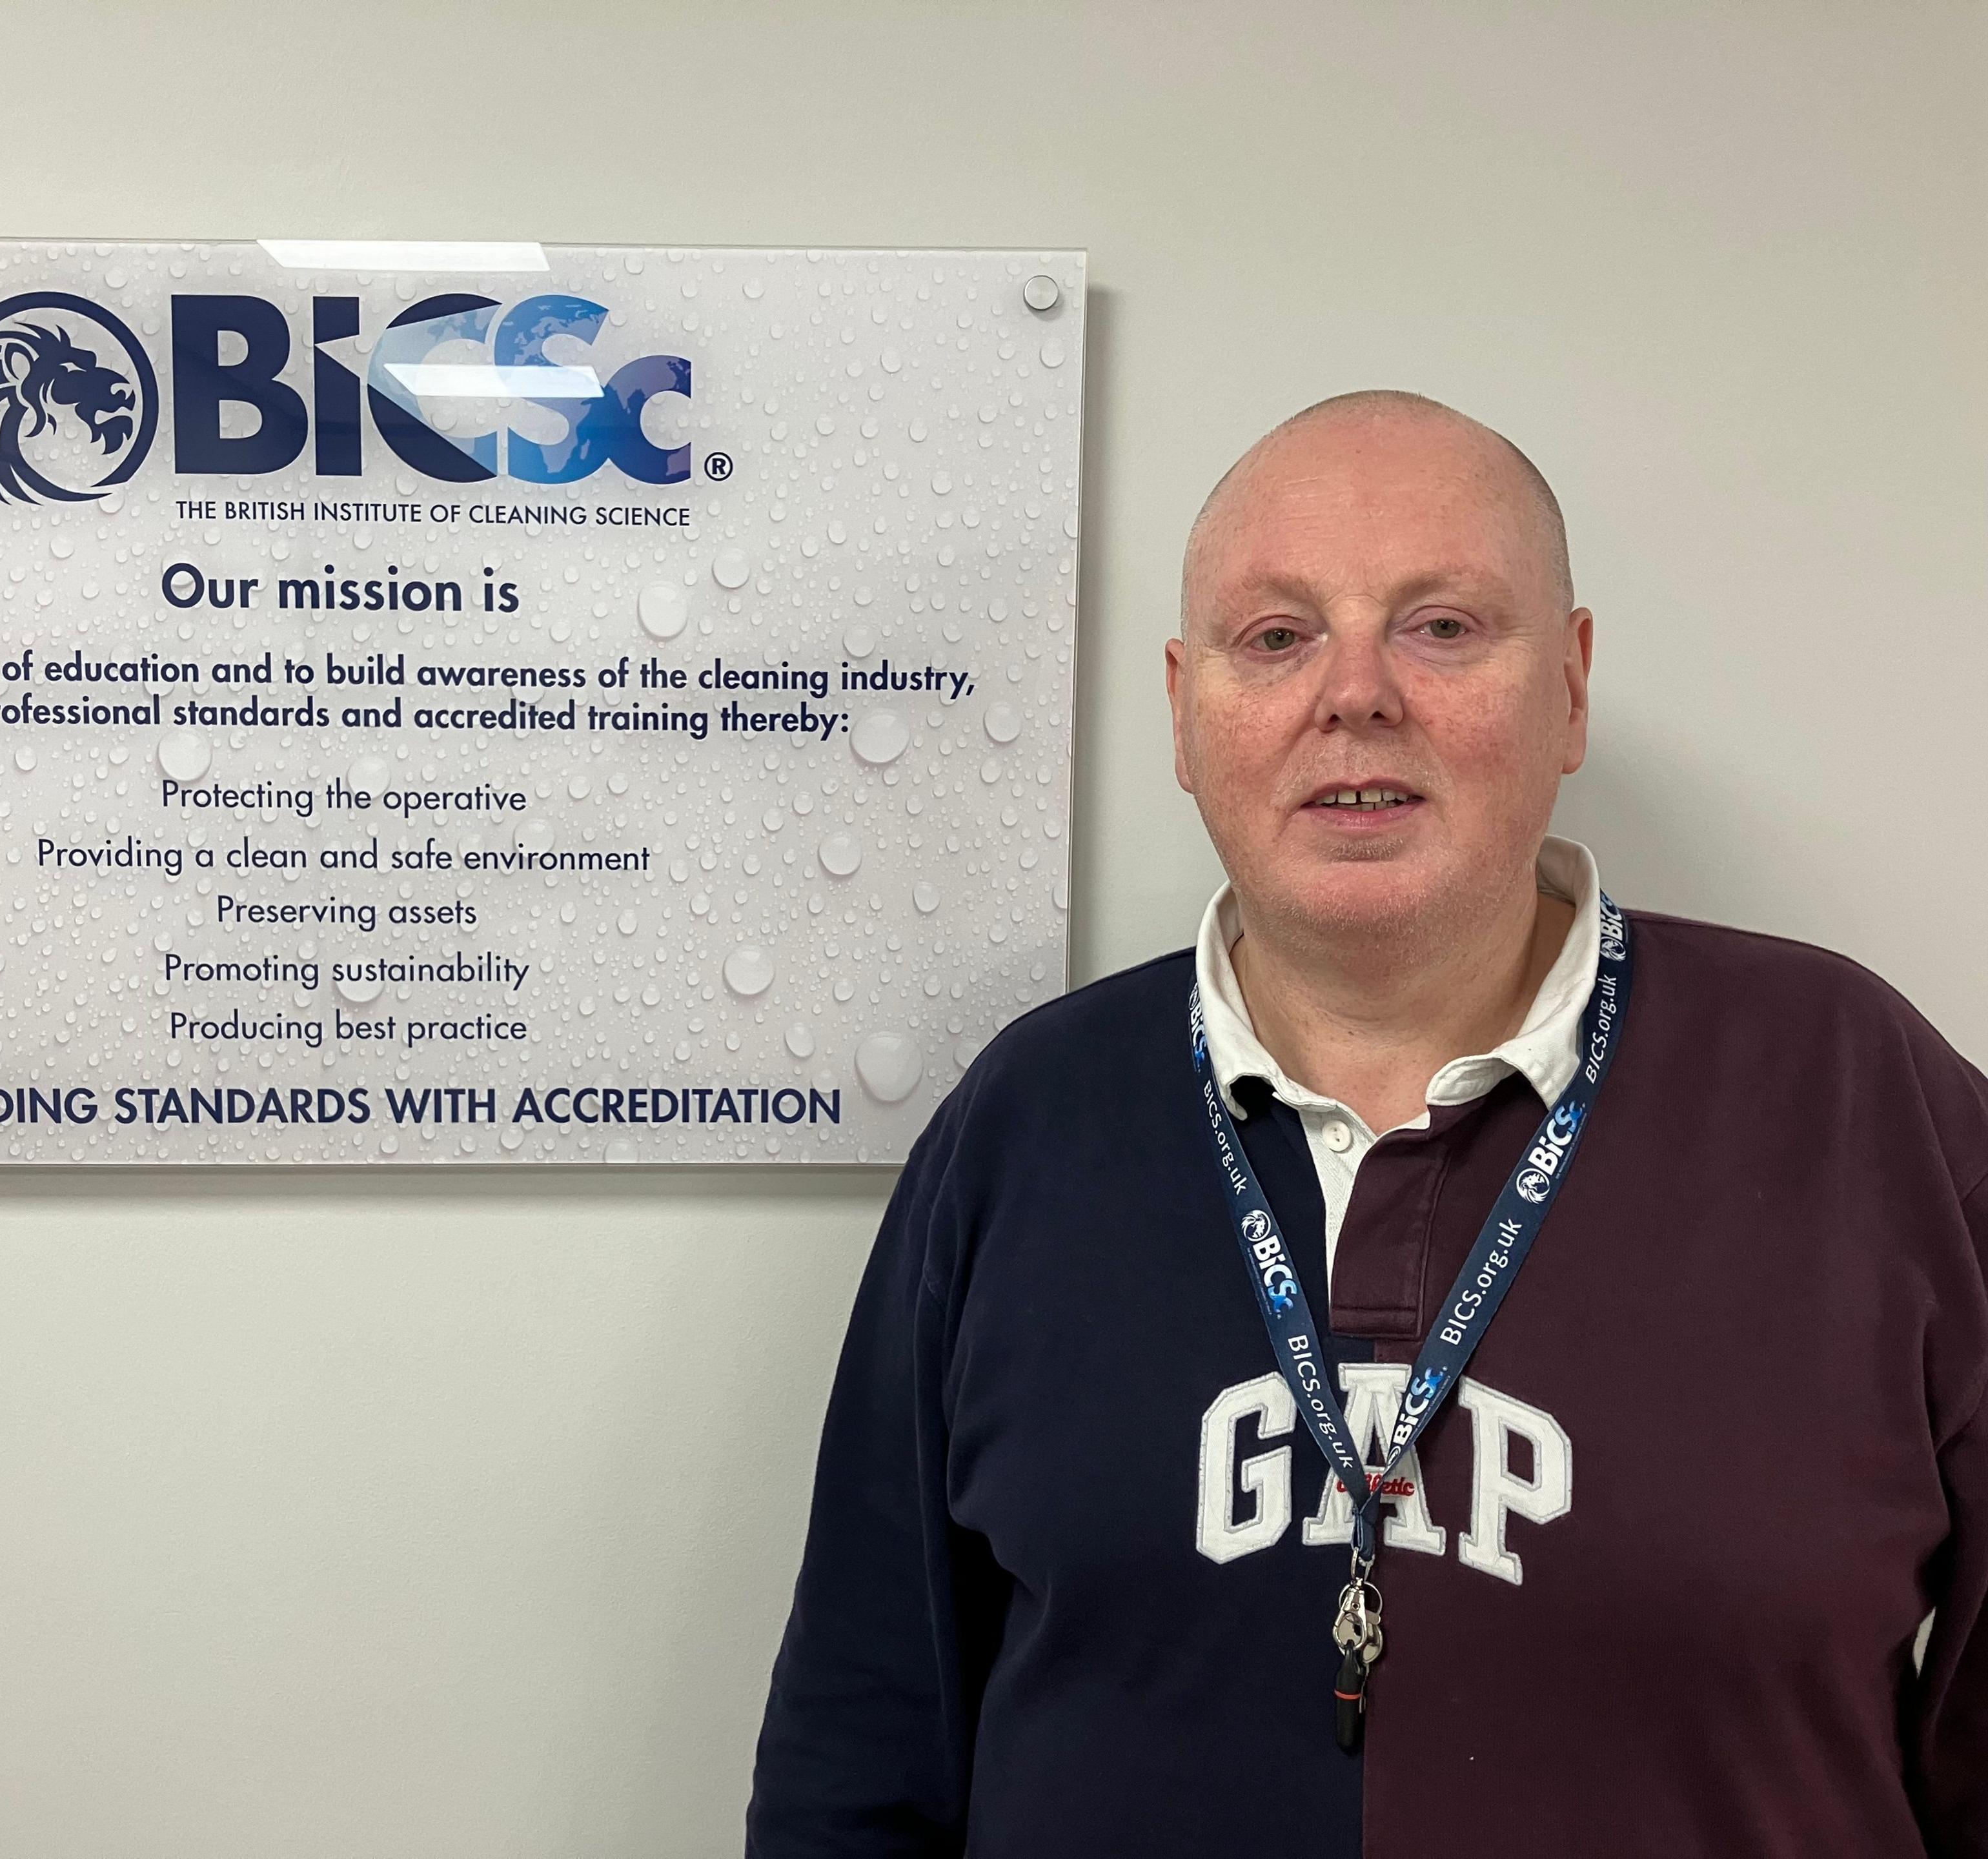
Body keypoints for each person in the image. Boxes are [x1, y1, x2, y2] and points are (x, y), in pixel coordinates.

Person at [744, 392, 1988, 1857]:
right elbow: (861, 1751)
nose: (1356, 694)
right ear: (1187, 712)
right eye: (1276, 637)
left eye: (1442, 626)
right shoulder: (1027, 1123)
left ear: (1571, 689)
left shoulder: (1857, 1094)